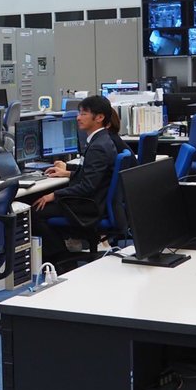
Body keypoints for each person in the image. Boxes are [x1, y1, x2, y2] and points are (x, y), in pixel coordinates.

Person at [31, 95, 128, 265]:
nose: (78, 118)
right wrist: (69, 172)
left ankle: (61, 258)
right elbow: (92, 174)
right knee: (40, 203)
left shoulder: (98, 146)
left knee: (34, 211)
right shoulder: (102, 140)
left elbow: (87, 186)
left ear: (99, 117)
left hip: (89, 206)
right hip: (97, 201)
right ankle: (61, 254)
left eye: (84, 114)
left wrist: (54, 195)